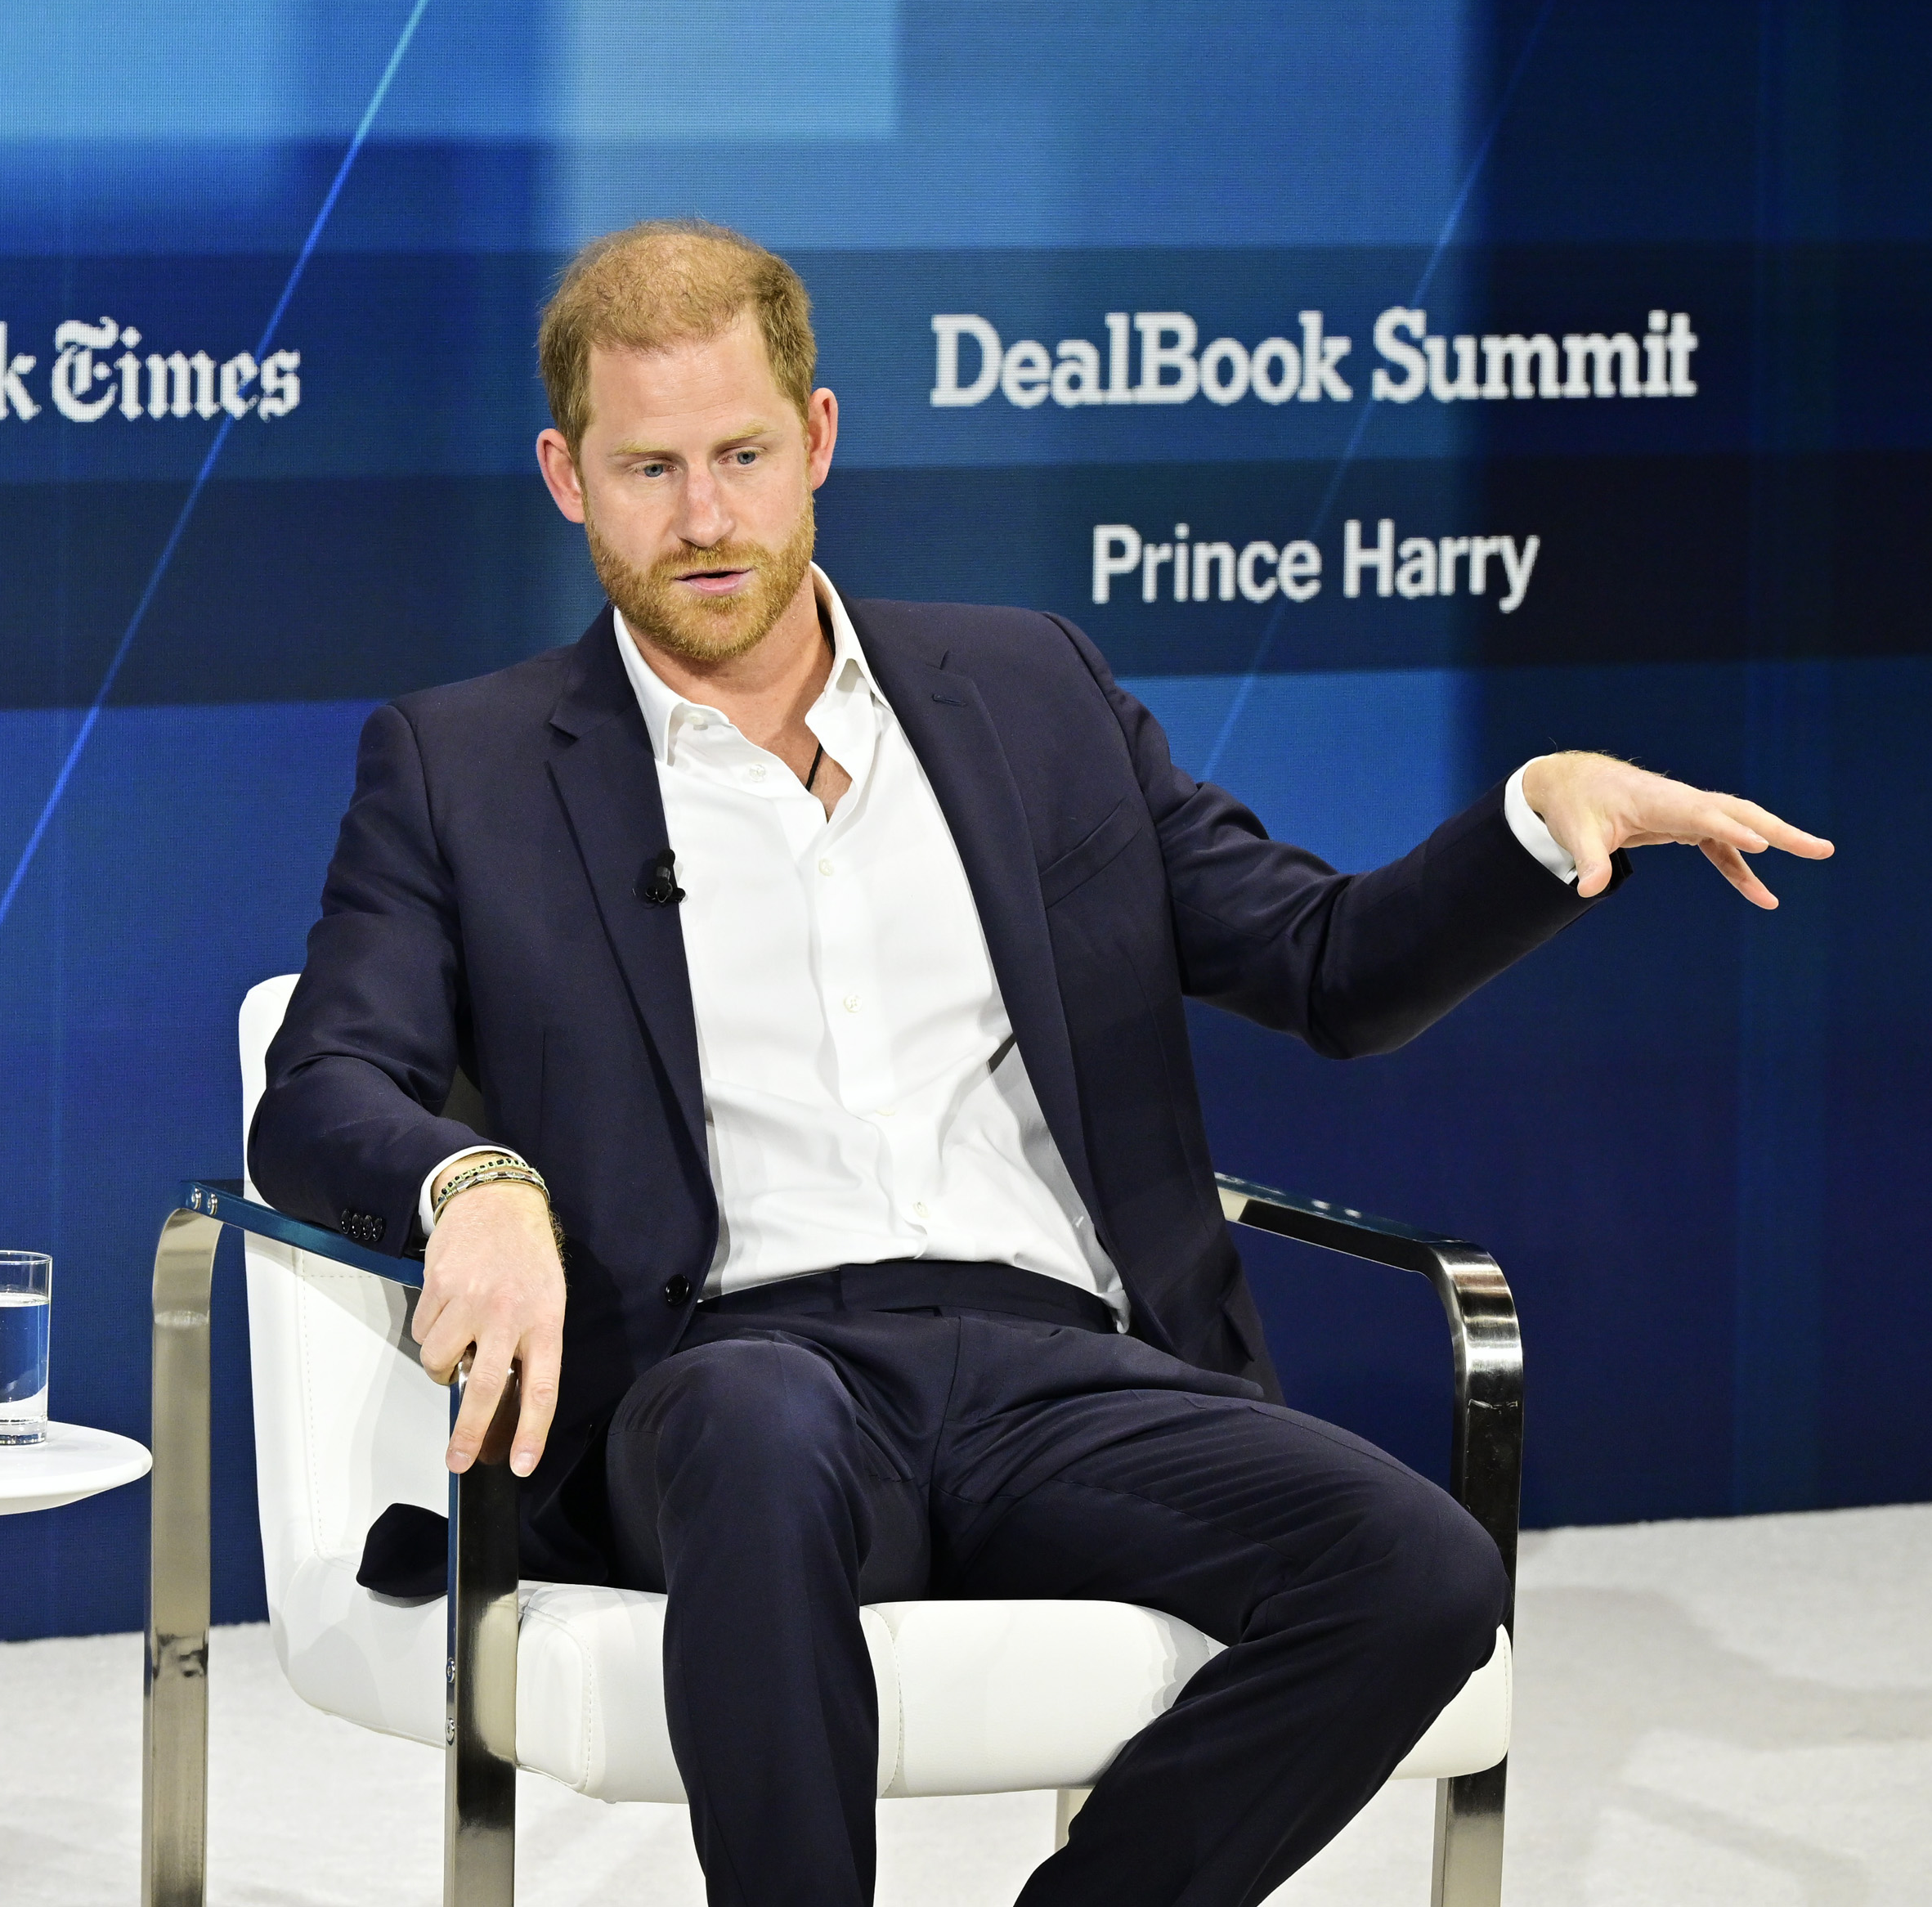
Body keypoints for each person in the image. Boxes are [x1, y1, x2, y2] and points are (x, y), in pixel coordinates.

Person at [249, 222, 1831, 1907]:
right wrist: (471, 1178)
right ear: (568, 477)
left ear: (821, 442)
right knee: (759, 1423)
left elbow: (1328, 965)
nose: (704, 519)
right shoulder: (466, 764)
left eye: (741, 456)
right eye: (650, 468)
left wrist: (1534, 825)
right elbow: (325, 1081)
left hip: (1064, 1372)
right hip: (736, 1376)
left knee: (1423, 1571)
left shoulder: (1031, 692)